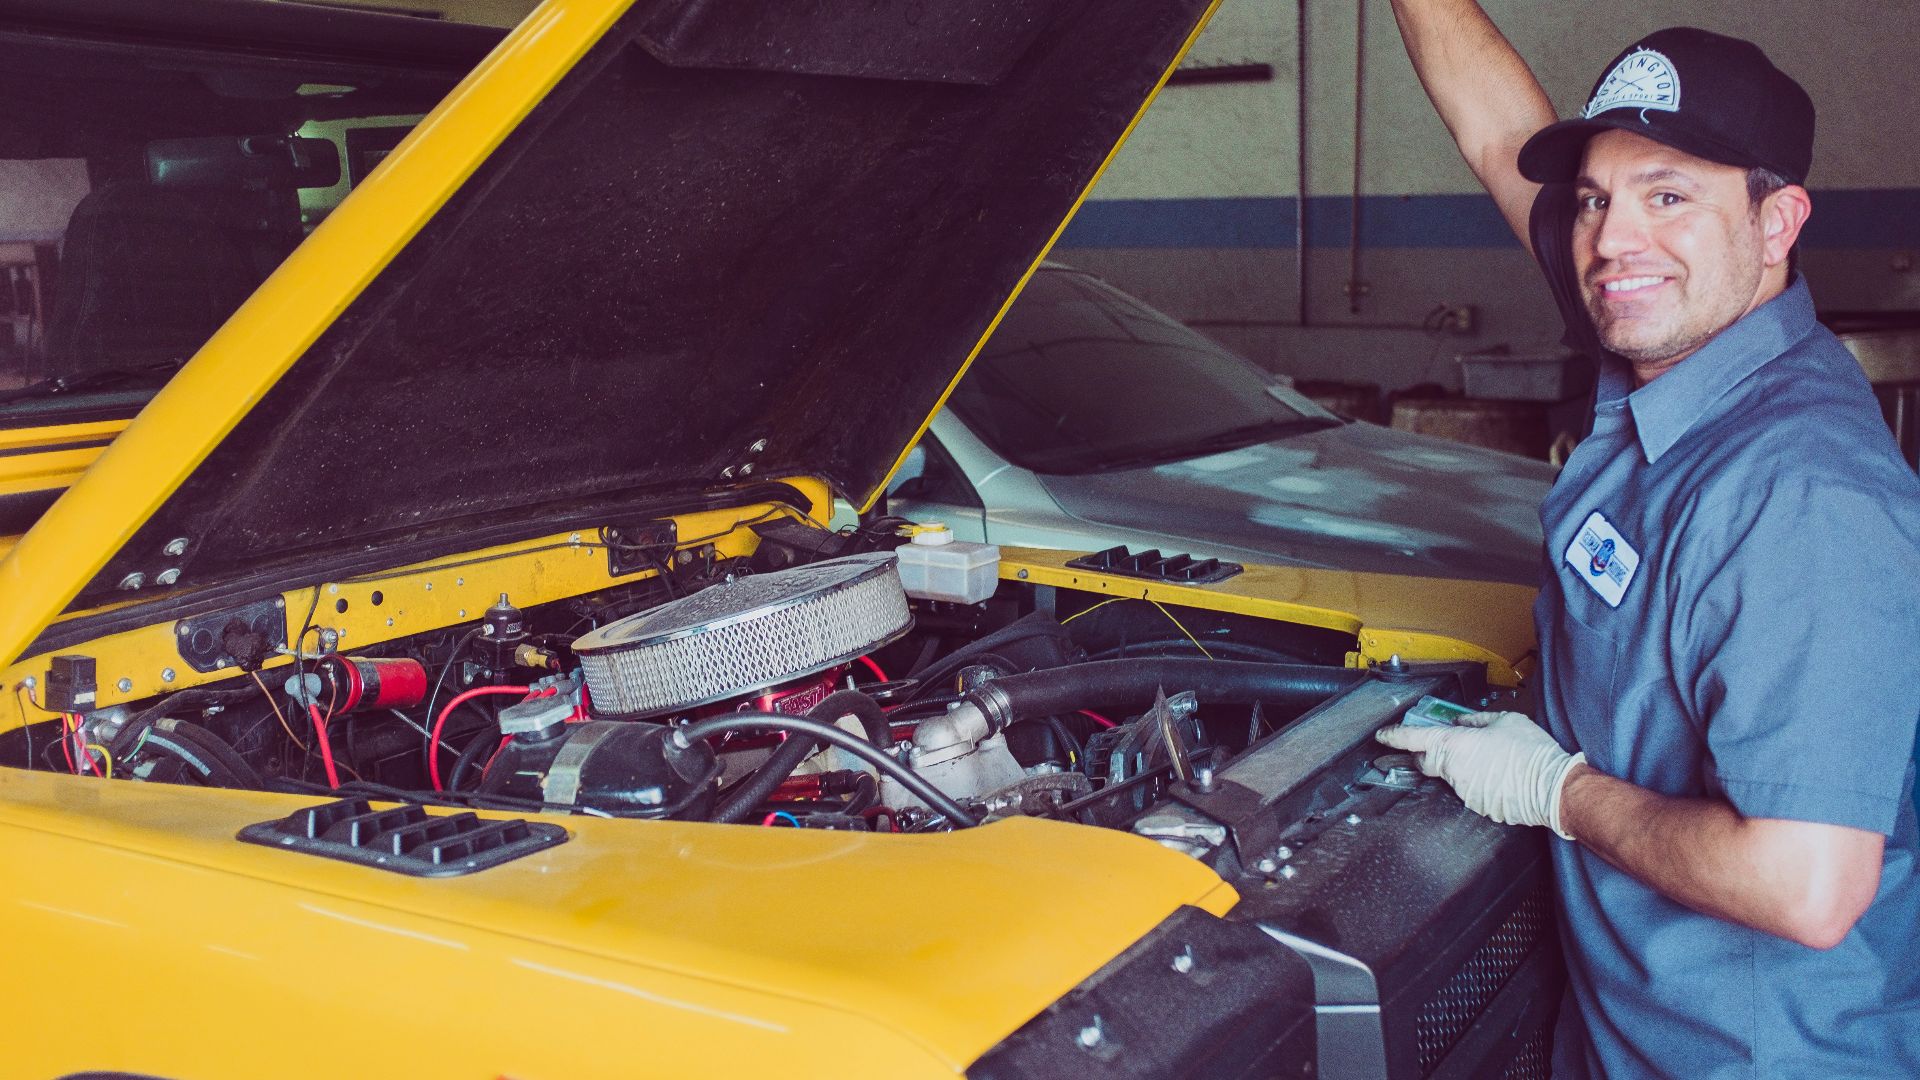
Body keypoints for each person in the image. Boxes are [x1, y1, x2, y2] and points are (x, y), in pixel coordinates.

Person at [1379, 5, 1920, 1077]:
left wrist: (1555, 791)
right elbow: (1498, 137)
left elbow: (1807, 888)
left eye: (1668, 196)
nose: (1612, 241)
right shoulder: (1666, 348)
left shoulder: (1802, 497)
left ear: (1777, 225)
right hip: (1625, 1038)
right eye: (1594, 199)